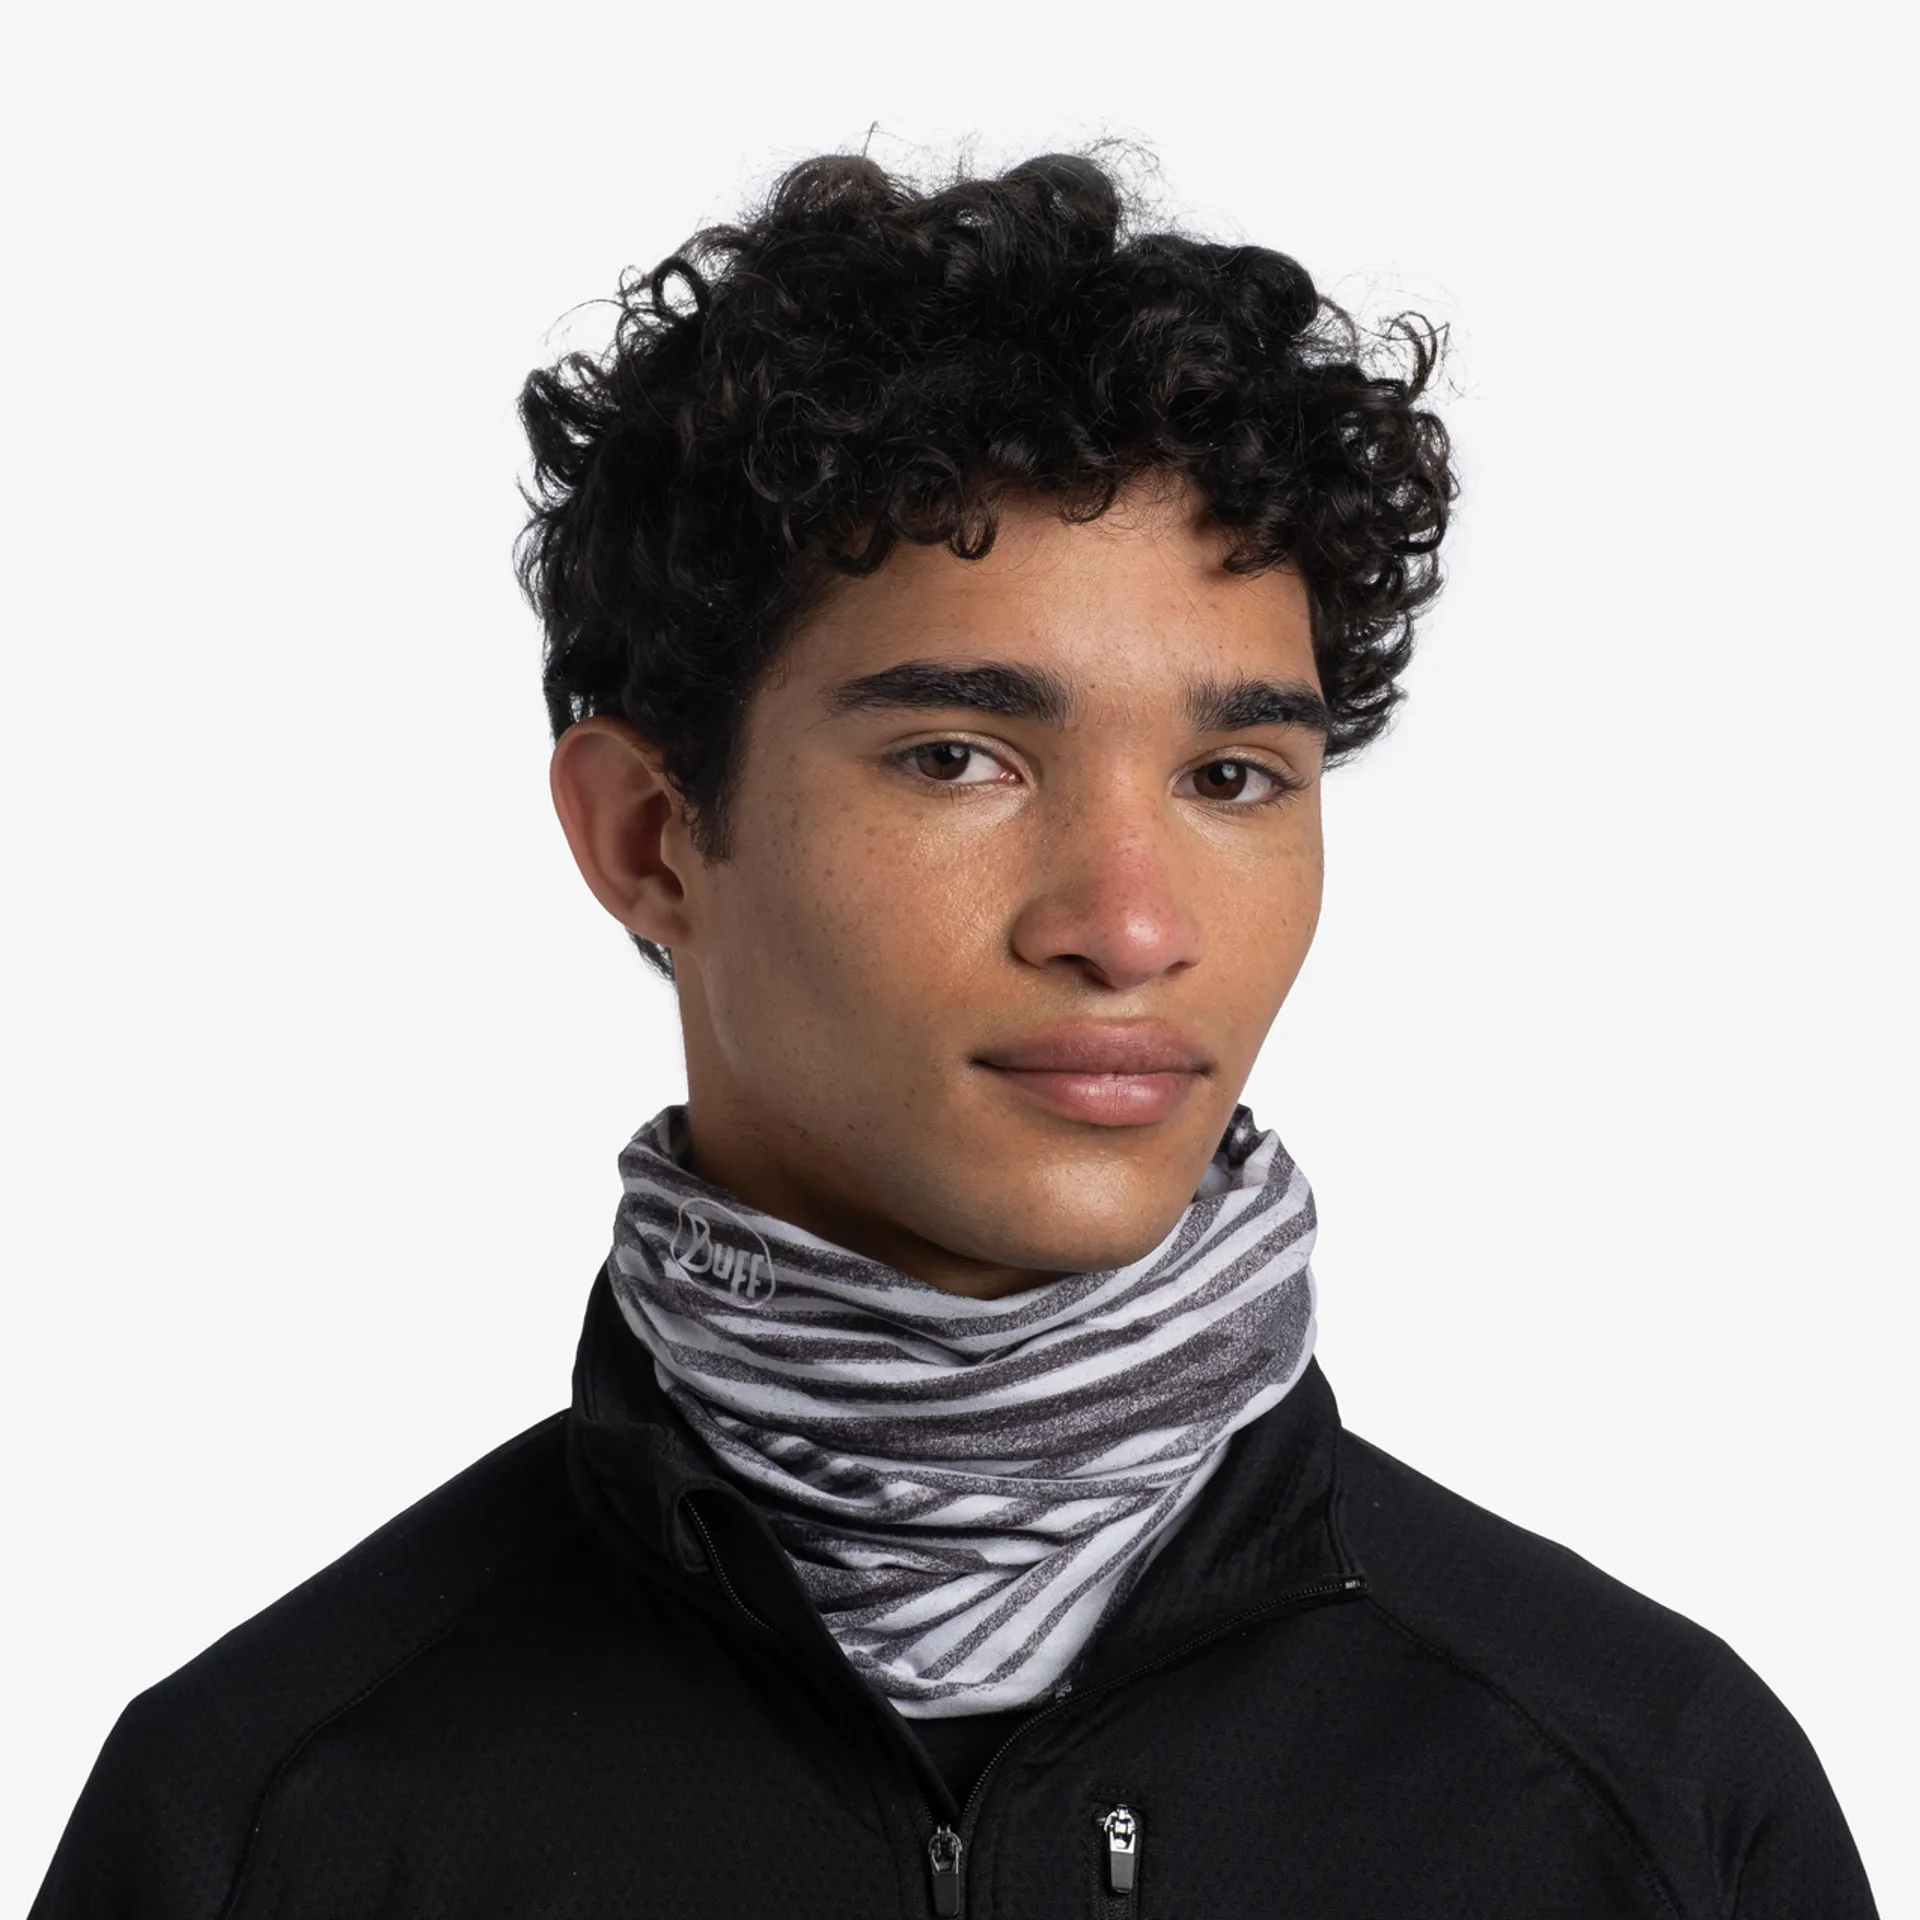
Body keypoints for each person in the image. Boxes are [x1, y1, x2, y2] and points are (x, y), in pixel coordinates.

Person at [32, 147, 1878, 1919]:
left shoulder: (1653, 1803)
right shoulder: (261, 1826)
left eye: (1235, 776)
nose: (1132, 926)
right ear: (651, 836)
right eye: (957, 758)